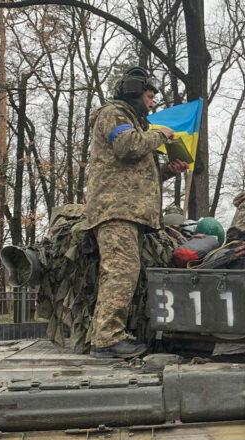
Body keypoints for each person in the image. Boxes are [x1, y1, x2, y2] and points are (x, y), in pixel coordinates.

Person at [84, 66, 190, 358]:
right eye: (149, 96)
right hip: (115, 211)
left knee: (125, 272)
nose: (153, 103)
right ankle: (106, 340)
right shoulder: (114, 115)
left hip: (128, 211)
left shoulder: (132, 122)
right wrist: (161, 135)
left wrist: (169, 170)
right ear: (133, 92)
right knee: (120, 272)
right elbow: (127, 145)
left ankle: (111, 335)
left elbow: (138, 176)